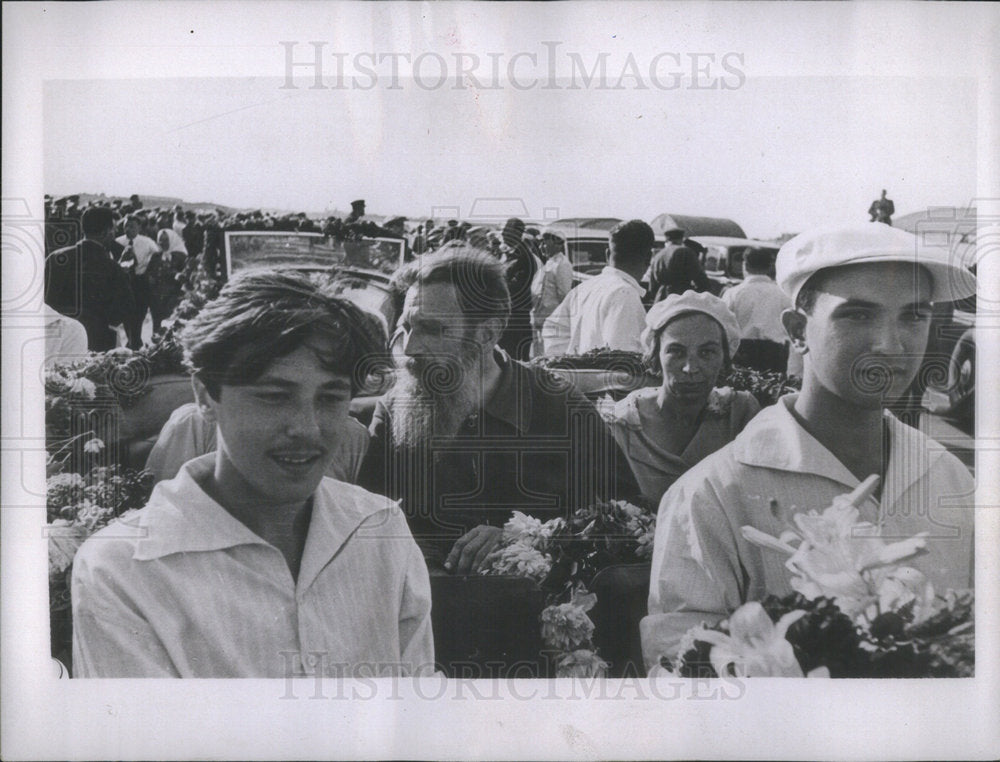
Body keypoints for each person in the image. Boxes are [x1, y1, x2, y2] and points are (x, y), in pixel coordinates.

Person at [641, 224, 977, 666]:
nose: (891, 345)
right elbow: (679, 666)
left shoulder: (950, 475)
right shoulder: (713, 495)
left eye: (913, 316)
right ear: (798, 331)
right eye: (858, 314)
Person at [71, 269, 433, 678]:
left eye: (331, 397)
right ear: (206, 396)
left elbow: (415, 714)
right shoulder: (121, 571)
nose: (307, 428)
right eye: (274, 397)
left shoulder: (381, 530)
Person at [357, 247, 639, 572]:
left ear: (487, 333)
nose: (410, 348)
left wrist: (528, 537)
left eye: (432, 329)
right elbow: (365, 520)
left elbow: (630, 516)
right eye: (406, 328)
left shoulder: (559, 406)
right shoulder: (395, 408)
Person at [599, 291, 760, 505]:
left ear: (725, 358)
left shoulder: (740, 414)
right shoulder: (621, 426)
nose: (690, 368)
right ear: (655, 356)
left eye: (706, 353)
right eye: (676, 352)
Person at [542, 219, 653, 356]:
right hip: (603, 376)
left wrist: (568, 367)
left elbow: (552, 330)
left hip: (579, 376)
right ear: (649, 258)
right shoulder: (625, 293)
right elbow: (623, 363)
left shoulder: (582, 289)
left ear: (607, 255)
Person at [44, 206, 135, 351]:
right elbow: (125, 308)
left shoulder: (55, 258)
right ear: (106, 232)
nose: (114, 234)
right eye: (113, 230)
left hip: (55, 341)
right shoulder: (112, 268)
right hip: (97, 342)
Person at [721, 247, 793, 372]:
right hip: (774, 353)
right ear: (770, 267)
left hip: (741, 352)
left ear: (745, 265)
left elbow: (723, 327)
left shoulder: (732, 294)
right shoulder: (783, 294)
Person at [116, 215, 163, 349]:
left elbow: (158, 256)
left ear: (139, 228)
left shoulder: (147, 242)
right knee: (126, 313)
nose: (128, 229)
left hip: (141, 282)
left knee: (139, 313)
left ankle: (134, 341)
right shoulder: (118, 242)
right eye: (126, 226)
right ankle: (133, 341)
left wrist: (151, 272)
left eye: (132, 226)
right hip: (124, 282)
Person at [496, 217, 539, 361]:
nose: (502, 235)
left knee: (515, 364)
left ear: (516, 233)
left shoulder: (523, 257)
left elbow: (516, 289)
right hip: (507, 318)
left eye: (506, 231)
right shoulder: (509, 254)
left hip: (516, 321)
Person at [529, 230, 573, 357]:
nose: (542, 246)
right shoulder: (549, 263)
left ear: (558, 244)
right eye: (541, 243)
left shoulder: (562, 264)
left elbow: (564, 295)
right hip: (539, 319)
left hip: (551, 319)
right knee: (538, 354)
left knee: (549, 354)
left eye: (545, 243)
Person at [647, 227, 711, 301]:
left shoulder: (658, 255)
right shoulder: (685, 252)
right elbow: (699, 277)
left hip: (661, 297)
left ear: (667, 240)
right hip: (681, 295)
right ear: (681, 239)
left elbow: (652, 285)